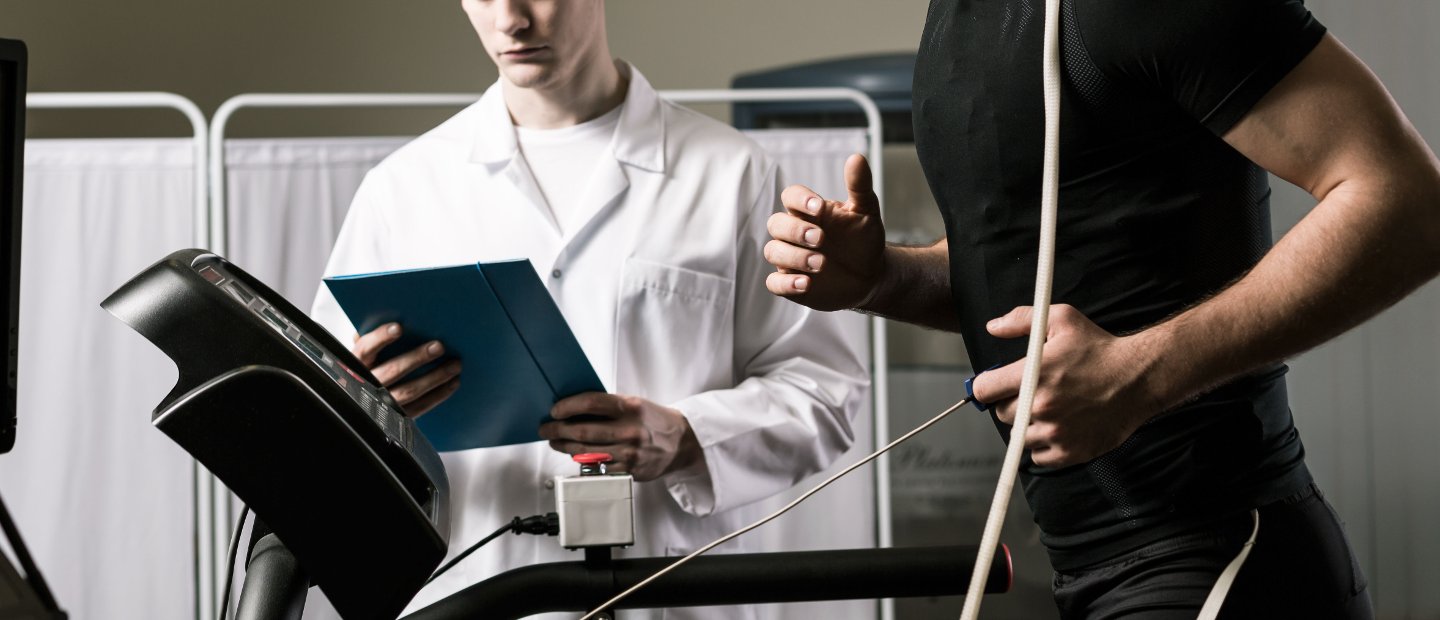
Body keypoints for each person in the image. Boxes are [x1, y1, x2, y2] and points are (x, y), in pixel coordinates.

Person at [764, 0, 1439, 617]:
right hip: (1087, 567)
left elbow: (1409, 203)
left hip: (1217, 556)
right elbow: (1035, 266)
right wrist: (882, 280)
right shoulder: (959, 17)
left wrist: (1139, 371)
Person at [308, 0, 868, 617]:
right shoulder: (403, 191)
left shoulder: (732, 175)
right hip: (470, 595)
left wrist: (686, 438)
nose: (510, 19)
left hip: (668, 597)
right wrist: (369, 408)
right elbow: (320, 433)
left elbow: (825, 390)